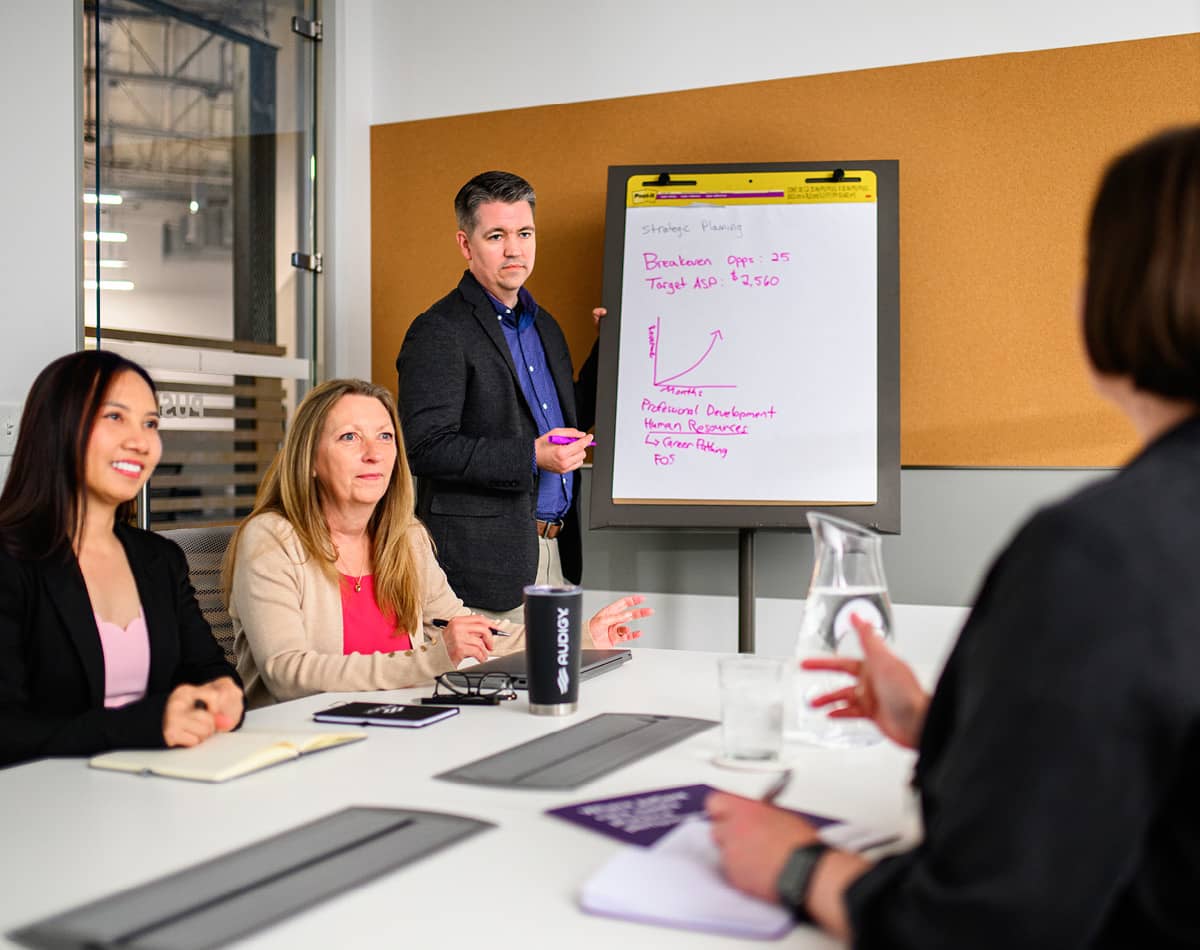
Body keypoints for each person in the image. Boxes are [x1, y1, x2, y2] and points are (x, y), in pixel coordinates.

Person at [708, 125, 1200, 948]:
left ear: (1116, 295)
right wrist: (946, 728)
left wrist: (799, 865)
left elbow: (990, 920)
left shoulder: (1103, 551)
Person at [227, 378, 648, 708]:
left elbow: (465, 633)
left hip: (396, 733)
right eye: (349, 438)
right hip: (305, 744)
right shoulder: (271, 540)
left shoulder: (405, 537)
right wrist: (430, 661)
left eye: (385, 437)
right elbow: (286, 672)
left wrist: (574, 636)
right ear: (310, 459)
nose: (374, 453)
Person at [0, 351, 244, 768]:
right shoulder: (11, 560)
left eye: (151, 423)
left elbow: (207, 666)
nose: (141, 440)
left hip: (158, 787)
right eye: (115, 417)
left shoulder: (160, 559)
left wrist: (222, 692)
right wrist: (144, 725)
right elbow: (7, 730)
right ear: (57, 425)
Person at [396, 170, 602, 623]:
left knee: (552, 690)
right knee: (490, 693)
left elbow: (569, 424)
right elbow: (424, 447)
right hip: (480, 569)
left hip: (555, 553)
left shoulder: (544, 325)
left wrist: (608, 346)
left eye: (524, 233)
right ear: (466, 245)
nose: (515, 248)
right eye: (497, 235)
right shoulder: (439, 331)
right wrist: (531, 456)